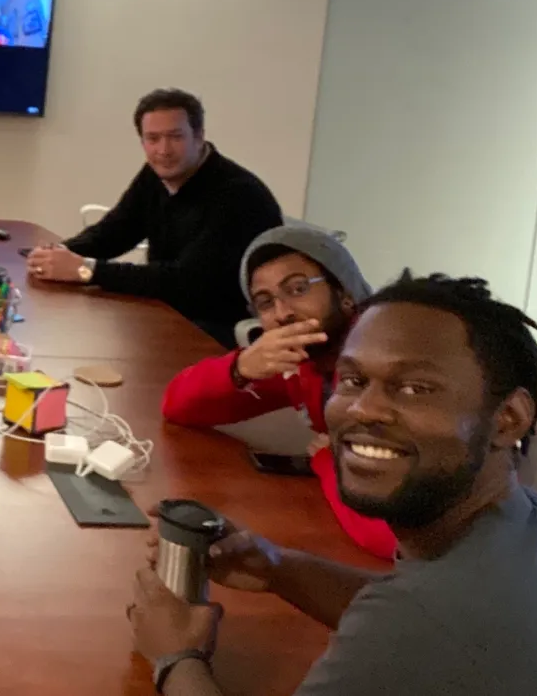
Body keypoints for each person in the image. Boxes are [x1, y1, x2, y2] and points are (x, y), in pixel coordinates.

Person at [129, 272, 537, 696]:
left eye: (415, 388)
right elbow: (411, 608)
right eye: (352, 381)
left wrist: (177, 656)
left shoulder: (419, 624)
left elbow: (417, 622)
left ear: (509, 418)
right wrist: (275, 565)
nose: (364, 409)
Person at [161, 225, 398, 560]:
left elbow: (390, 537)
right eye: (265, 302)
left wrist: (327, 460)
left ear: (344, 291)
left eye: (298, 288)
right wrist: (240, 368)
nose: (283, 312)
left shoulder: (390, 369)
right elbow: (178, 406)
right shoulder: (305, 361)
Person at [26, 88, 283, 346]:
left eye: (175, 137)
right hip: (168, 313)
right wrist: (57, 254)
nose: (163, 150)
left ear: (199, 136)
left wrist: (85, 270)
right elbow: (114, 233)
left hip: (214, 330)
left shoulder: (238, 195)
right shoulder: (156, 175)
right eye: (153, 138)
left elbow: (185, 282)